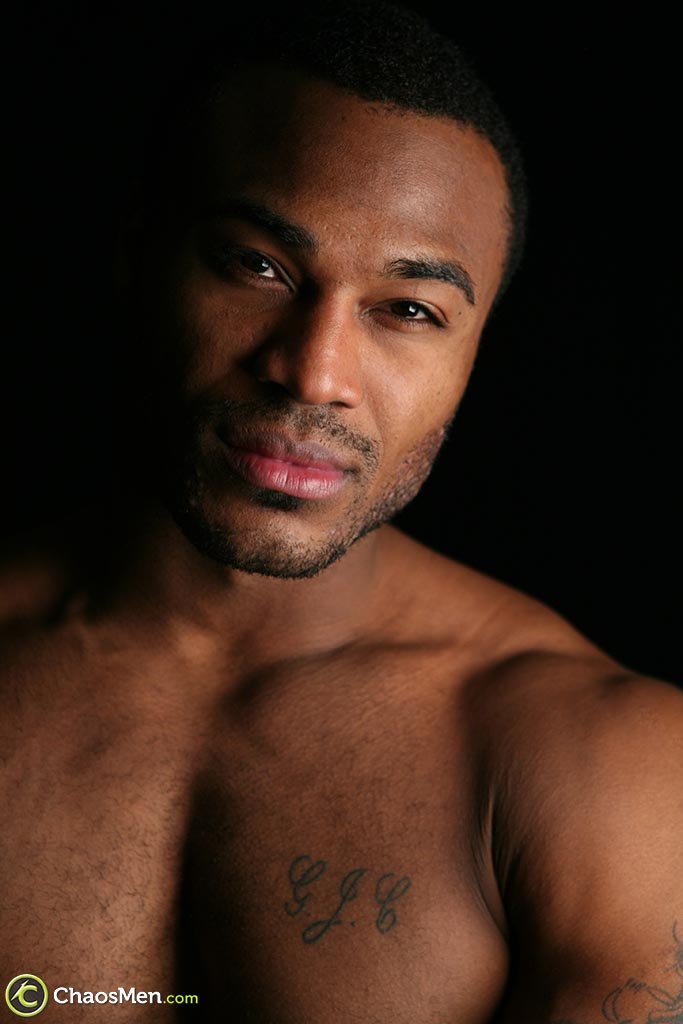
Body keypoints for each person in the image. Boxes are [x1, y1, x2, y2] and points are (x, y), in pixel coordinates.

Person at [1, 4, 680, 1022]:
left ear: (474, 354)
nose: (313, 373)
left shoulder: (605, 766)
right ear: (136, 256)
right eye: (258, 266)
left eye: (408, 310)